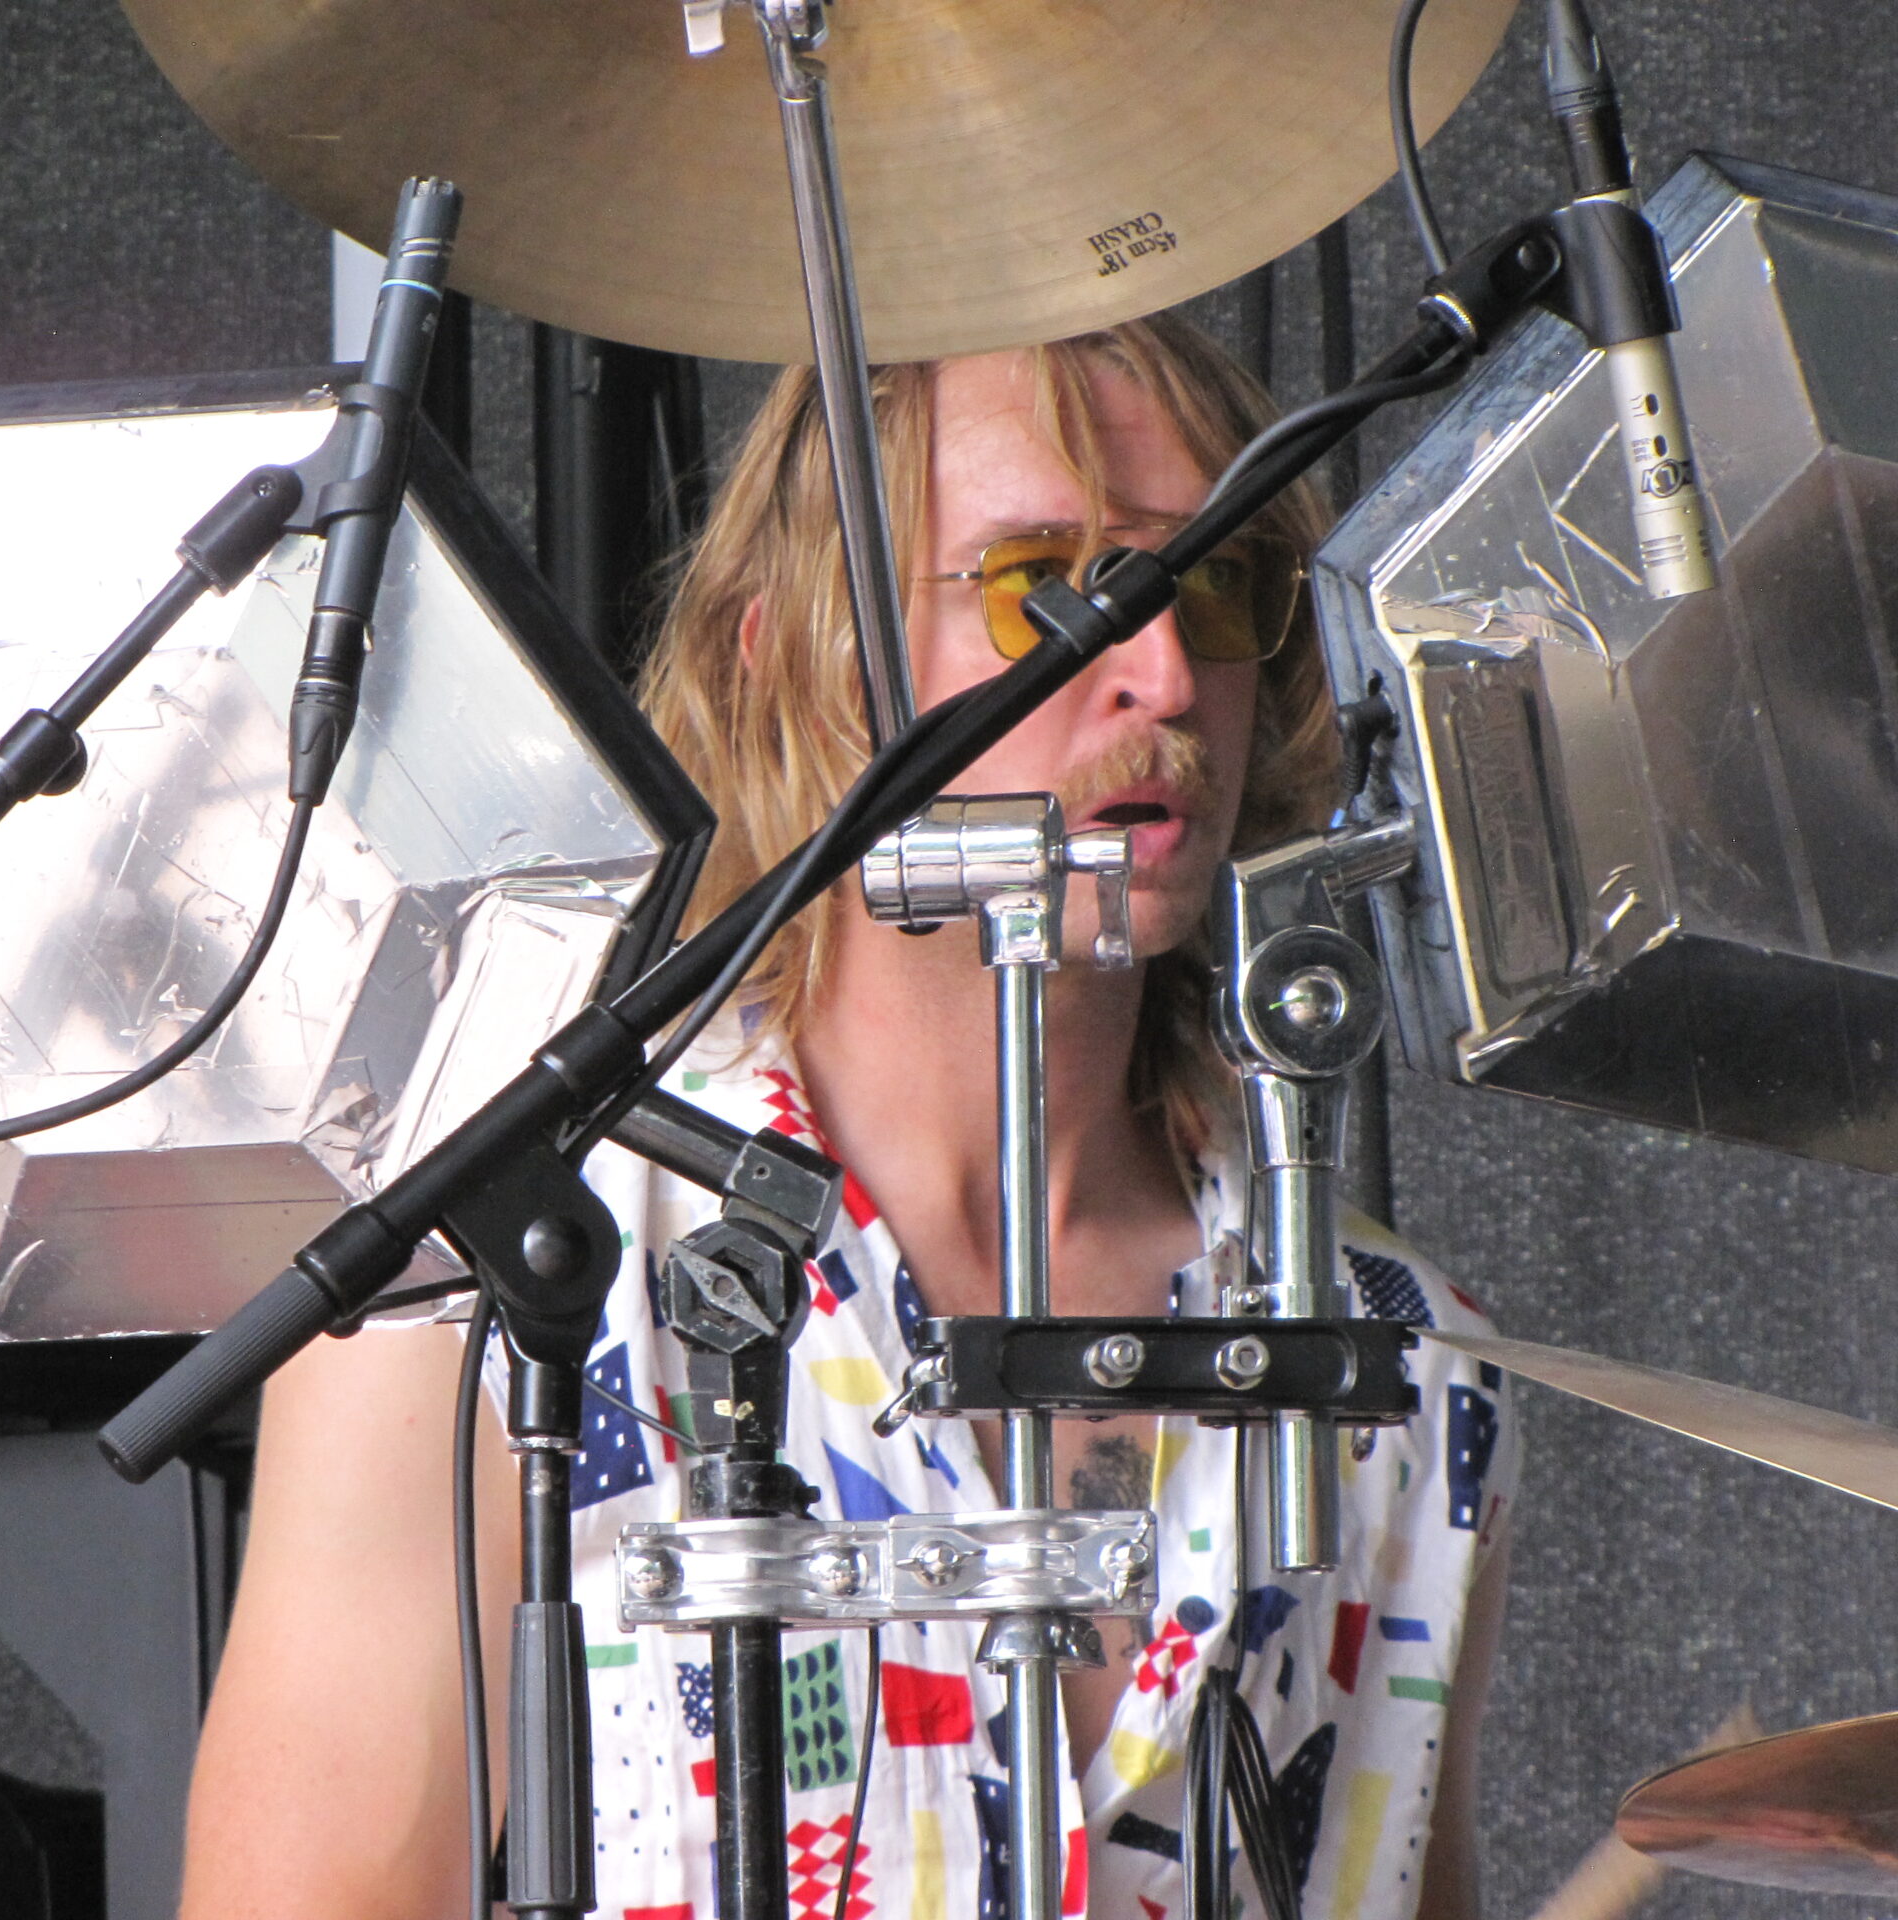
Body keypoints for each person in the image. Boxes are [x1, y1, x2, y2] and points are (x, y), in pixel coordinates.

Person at [177, 316, 1517, 1920]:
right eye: (1045, 580)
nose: (1159, 668)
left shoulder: (1411, 1367)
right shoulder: (496, 1277)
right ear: (780, 649)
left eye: (1213, 584)